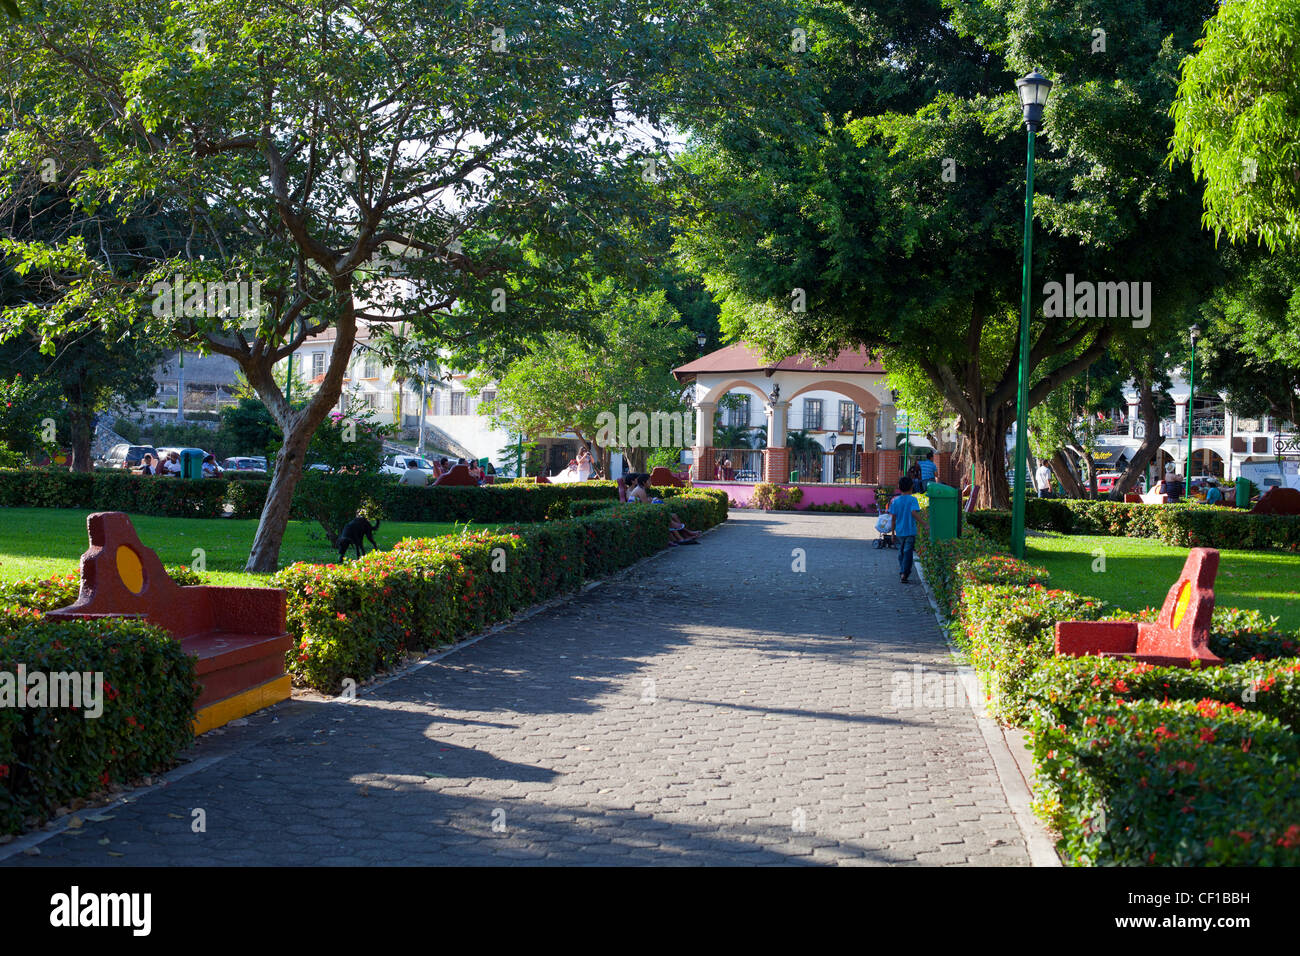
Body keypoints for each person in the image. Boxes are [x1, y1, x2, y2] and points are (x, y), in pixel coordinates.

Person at [888, 476, 921, 584]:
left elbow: (893, 518)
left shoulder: (895, 501)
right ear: (912, 487)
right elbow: (914, 513)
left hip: (900, 532)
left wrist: (892, 533)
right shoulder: (913, 500)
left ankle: (903, 572)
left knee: (901, 552)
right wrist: (924, 523)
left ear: (899, 487)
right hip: (910, 531)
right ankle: (904, 573)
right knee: (908, 552)